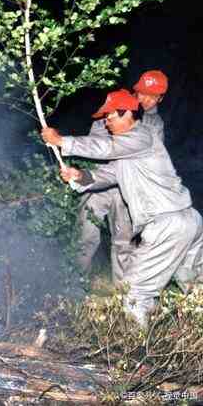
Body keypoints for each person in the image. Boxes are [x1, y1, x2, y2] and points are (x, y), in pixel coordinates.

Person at [42, 89, 202, 326]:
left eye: (110, 116)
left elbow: (106, 148)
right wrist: (79, 176)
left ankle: (137, 353)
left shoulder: (142, 135)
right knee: (196, 286)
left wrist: (62, 141)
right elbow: (106, 174)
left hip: (167, 224)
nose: (106, 122)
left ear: (127, 113)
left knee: (134, 295)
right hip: (186, 221)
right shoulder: (129, 153)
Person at [77, 70, 168, 280]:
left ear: (160, 99)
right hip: (100, 183)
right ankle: (75, 284)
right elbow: (95, 143)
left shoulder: (155, 125)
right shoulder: (115, 106)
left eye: (153, 96)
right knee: (85, 236)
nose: (145, 99)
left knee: (124, 244)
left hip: (127, 190)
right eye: (142, 93)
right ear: (135, 90)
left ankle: (122, 297)